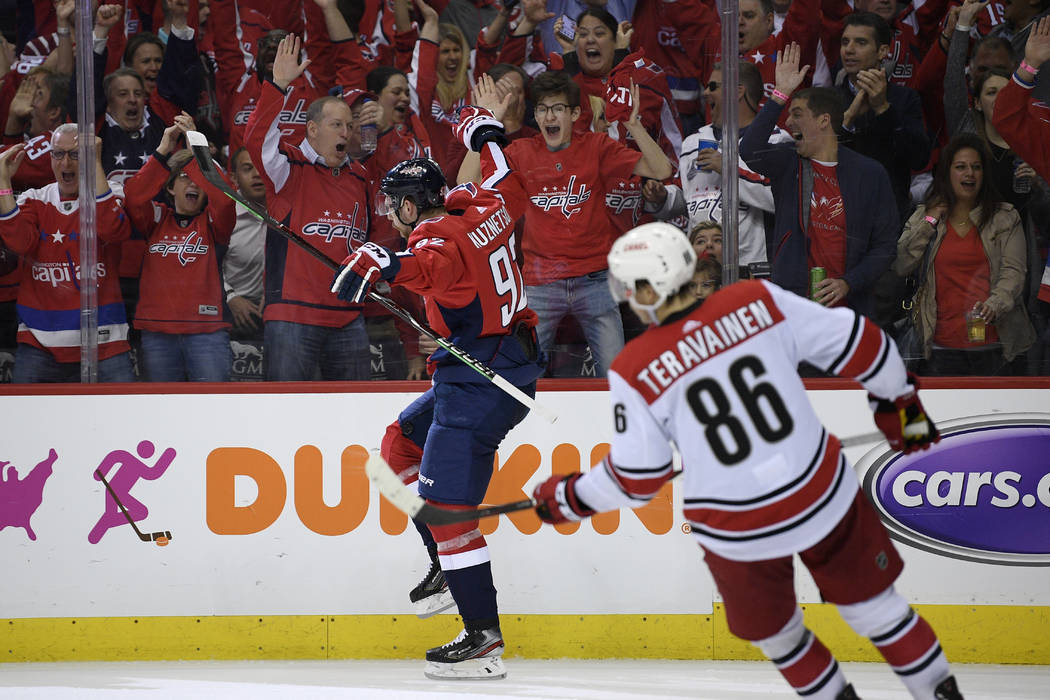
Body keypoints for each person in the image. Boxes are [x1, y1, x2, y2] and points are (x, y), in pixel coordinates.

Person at [531, 221, 964, 700]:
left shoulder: (635, 366)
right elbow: (865, 346)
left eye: (631, 287)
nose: (629, 298)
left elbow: (639, 478)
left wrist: (569, 499)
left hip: (738, 528)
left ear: (651, 287)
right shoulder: (756, 301)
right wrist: (900, 406)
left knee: (780, 636)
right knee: (876, 610)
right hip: (820, 492)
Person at [330, 139, 544, 676]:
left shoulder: (432, 236)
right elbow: (504, 174)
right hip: (500, 362)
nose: (391, 214)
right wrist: (486, 136)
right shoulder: (483, 202)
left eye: (392, 203)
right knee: (398, 445)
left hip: (479, 384)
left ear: (408, 204)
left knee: (448, 515)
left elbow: (436, 267)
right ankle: (446, 571)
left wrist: (386, 261)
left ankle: (483, 640)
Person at [480, 69, 673, 377]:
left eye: (557, 108)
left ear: (574, 113)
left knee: (615, 376)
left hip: (594, 280)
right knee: (520, 377)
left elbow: (662, 170)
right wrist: (484, 124)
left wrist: (632, 124)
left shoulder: (596, 147)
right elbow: (465, 180)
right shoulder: (520, 152)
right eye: (542, 109)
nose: (548, 116)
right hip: (539, 282)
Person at [245, 34, 372, 382]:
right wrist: (278, 86)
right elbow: (255, 139)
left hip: (348, 316)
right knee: (284, 418)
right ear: (312, 129)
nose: (345, 132)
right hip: (292, 317)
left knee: (353, 422)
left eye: (349, 125)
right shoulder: (288, 165)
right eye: (336, 125)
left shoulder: (359, 177)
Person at [740, 43, 898, 320]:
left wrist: (850, 282)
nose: (788, 122)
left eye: (797, 114)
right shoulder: (788, 163)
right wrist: (780, 95)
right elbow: (749, 149)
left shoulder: (869, 173)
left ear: (824, 120)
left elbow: (885, 246)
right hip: (794, 306)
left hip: (851, 310)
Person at [0, 124, 134, 382]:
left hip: (104, 343)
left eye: (76, 154)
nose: (66, 162)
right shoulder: (34, 199)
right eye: (58, 154)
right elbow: (19, 244)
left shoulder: (111, 192)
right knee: (29, 422)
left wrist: (95, 163)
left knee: (122, 420)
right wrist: (3, 182)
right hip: (40, 343)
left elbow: (112, 230)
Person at [893, 133, 1035, 375]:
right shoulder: (924, 216)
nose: (969, 173)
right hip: (938, 347)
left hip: (997, 347)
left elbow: (1014, 272)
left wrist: (994, 305)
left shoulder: (1004, 217)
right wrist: (930, 220)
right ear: (947, 173)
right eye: (961, 167)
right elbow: (901, 264)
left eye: (976, 167)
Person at [123, 113, 235, 381]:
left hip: (207, 333)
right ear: (170, 187)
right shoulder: (157, 218)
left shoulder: (214, 223)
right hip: (157, 334)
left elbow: (227, 200)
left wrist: (197, 146)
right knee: (161, 414)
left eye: (198, 179)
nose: (193, 183)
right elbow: (134, 196)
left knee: (214, 410)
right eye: (184, 177)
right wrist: (164, 148)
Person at [647, 61, 789, 267]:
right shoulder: (693, 141)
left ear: (738, 91)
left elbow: (781, 201)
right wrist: (662, 197)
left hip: (752, 268)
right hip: (702, 270)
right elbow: (683, 198)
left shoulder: (776, 140)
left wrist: (727, 168)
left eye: (713, 86)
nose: (705, 93)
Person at [834, 11, 930, 221]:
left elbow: (919, 158)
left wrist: (884, 109)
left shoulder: (905, 99)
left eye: (860, 42)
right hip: (839, 219)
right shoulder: (829, 99)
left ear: (883, 51)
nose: (848, 50)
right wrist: (847, 120)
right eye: (845, 42)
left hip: (889, 219)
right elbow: (820, 160)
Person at [224, 146, 267, 342]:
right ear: (233, 178)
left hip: (275, 308)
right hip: (228, 308)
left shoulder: (287, 213)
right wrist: (230, 297)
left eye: (262, 167)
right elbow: (206, 265)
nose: (257, 174)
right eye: (248, 168)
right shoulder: (224, 215)